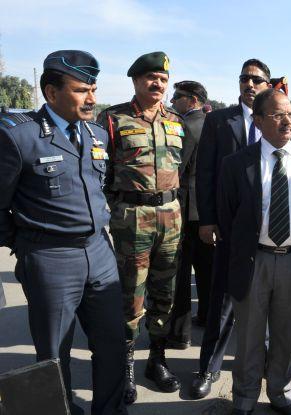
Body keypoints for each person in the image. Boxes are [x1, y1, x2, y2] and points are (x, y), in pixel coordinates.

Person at [0, 50, 126, 415]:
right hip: (50, 258)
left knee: (112, 344)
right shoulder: (18, 137)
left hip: (99, 253)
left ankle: (110, 410)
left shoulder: (97, 133)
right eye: (81, 90)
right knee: (55, 354)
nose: (91, 98)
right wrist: (28, 244)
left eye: (93, 89)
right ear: (51, 93)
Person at [217, 89, 291, 415]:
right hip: (255, 260)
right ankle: (245, 398)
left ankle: (281, 392)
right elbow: (227, 214)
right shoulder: (237, 164)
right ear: (259, 119)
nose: (287, 121)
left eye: (290, 113)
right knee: (250, 334)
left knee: (288, 334)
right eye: (278, 115)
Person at [98, 51, 187, 403]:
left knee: (165, 293)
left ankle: (157, 360)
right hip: (132, 218)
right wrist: (115, 209)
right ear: (135, 81)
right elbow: (99, 172)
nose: (158, 84)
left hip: (171, 214)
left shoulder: (175, 120)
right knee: (131, 297)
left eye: (163, 80)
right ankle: (127, 368)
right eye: (151, 78)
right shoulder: (113, 119)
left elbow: (184, 168)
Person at [192, 58, 271, 399]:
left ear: (268, 85)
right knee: (222, 301)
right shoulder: (219, 121)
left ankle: (265, 364)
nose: (249, 84)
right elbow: (205, 173)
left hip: (270, 228)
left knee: (266, 299)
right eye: (244, 78)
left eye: (256, 79)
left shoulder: (278, 119)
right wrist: (207, 219)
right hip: (228, 228)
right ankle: (207, 367)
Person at [165, 80, 212, 349]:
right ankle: (205, 316)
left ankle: (180, 333)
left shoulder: (184, 126)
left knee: (180, 276)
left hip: (184, 209)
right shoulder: (214, 124)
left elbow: (175, 171)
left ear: (193, 100)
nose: (173, 102)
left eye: (178, 97)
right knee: (207, 272)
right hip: (207, 211)